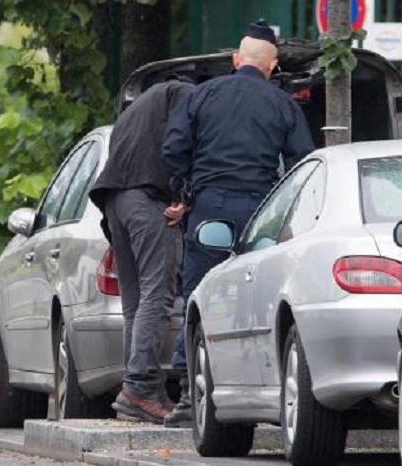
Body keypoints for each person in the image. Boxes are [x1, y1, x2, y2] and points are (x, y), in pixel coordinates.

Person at [161, 21, 315, 427]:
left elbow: (173, 148)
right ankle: (257, 389)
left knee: (198, 295)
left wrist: (183, 193)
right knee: (260, 299)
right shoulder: (283, 104)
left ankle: (188, 399)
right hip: (259, 214)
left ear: (235, 60)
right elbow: (302, 161)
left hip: (209, 210)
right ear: (272, 65)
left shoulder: (203, 95)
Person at [89, 76, 194, 424]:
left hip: (114, 201)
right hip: (147, 200)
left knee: (135, 302)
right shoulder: (186, 96)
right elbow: (180, 145)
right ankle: (141, 387)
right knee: (158, 295)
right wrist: (182, 194)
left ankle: (141, 389)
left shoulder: (140, 105)